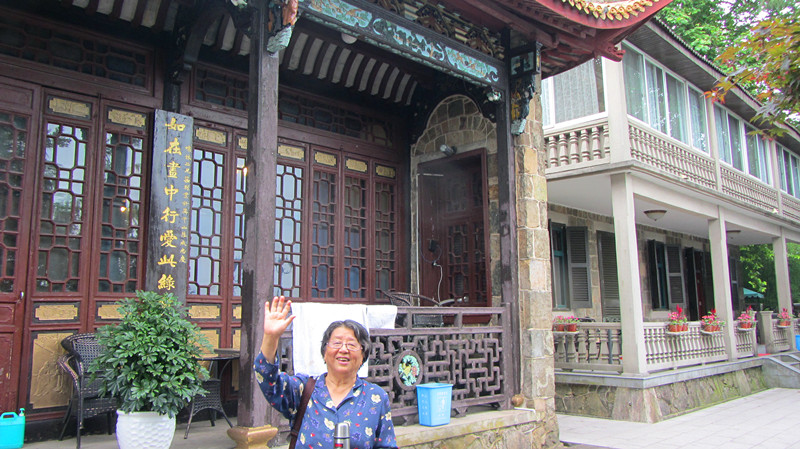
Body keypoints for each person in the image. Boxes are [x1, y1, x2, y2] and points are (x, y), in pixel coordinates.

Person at [254, 296, 398, 449]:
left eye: (351, 344)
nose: (343, 349)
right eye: (337, 343)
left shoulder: (375, 397)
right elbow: (269, 380)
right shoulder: (303, 390)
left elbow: (386, 445)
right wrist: (271, 337)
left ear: (363, 355)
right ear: (324, 352)